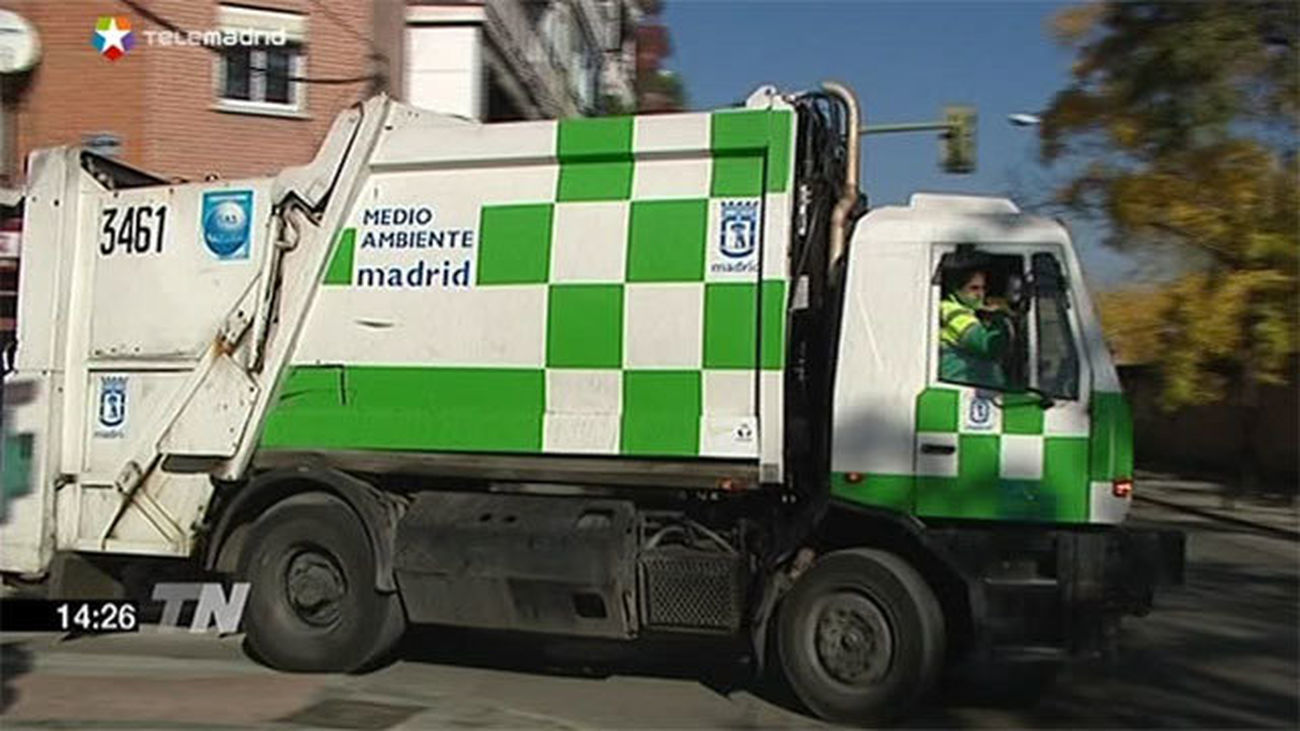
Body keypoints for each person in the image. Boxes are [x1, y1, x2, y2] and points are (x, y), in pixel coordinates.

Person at [939, 267, 1009, 388]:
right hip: (958, 385)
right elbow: (986, 345)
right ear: (957, 290)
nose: (980, 294)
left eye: (983, 288)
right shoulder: (950, 310)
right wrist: (1000, 316)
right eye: (974, 288)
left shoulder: (970, 312)